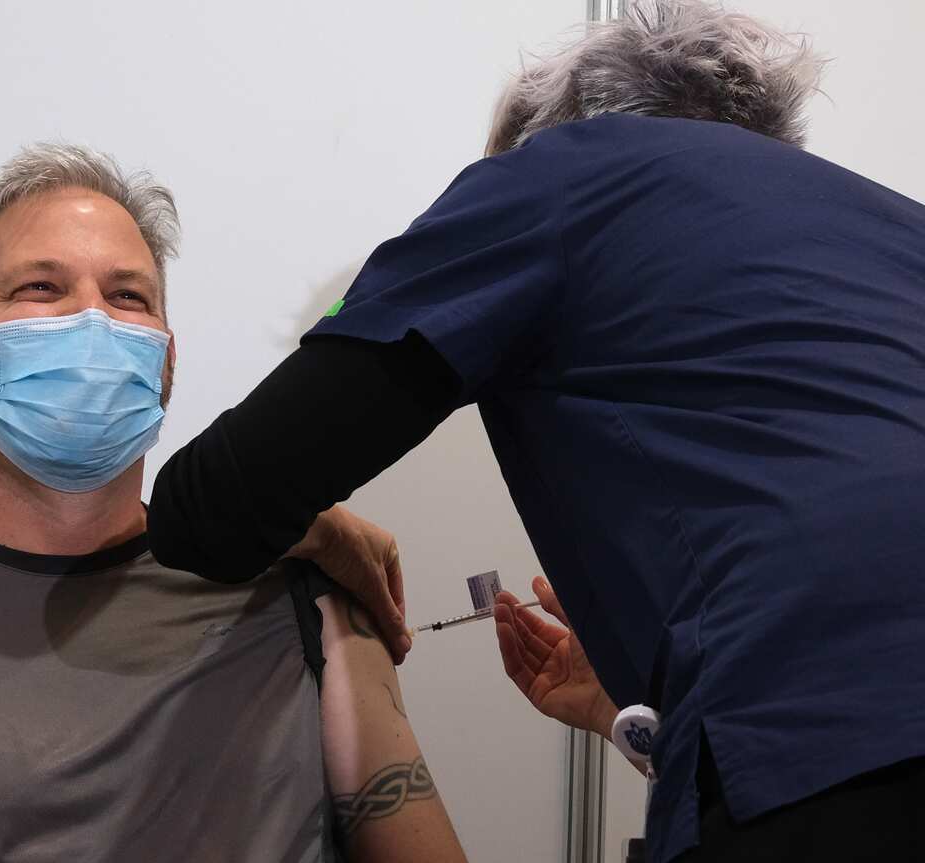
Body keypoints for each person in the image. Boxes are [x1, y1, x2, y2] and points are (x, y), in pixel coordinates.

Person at [145, 2, 925, 861]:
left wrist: (322, 527)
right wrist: (634, 714)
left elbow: (213, 507)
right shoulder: (897, 226)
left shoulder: (560, 173)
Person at [0, 144, 466, 863]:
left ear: (166, 359)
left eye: (127, 295)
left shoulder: (301, 593)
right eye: (41, 288)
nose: (93, 320)